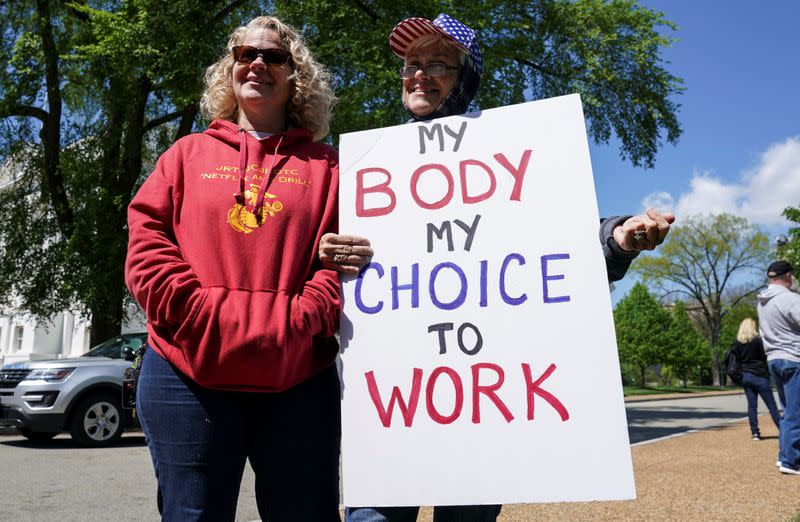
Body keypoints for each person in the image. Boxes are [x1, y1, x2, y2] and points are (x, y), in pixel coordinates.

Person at [320, 13, 675, 522]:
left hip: (479, 424)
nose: (417, 74)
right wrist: (326, 251)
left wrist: (619, 238)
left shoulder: (509, 150)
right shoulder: (369, 170)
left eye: (435, 63)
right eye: (409, 65)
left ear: (465, 75)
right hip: (390, 412)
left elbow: (556, 240)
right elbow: (314, 259)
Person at [125, 16, 342, 520]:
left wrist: (303, 318)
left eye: (274, 57)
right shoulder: (185, 154)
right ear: (230, 69)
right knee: (192, 515)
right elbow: (147, 242)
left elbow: (341, 260)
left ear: (296, 75)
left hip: (298, 374)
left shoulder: (330, 166)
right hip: (186, 370)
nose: (258, 64)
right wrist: (198, 313)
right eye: (246, 55)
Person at [757, 260, 800, 475]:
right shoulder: (790, 299)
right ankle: (791, 461)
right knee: (796, 412)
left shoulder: (763, 301)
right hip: (794, 358)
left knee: (788, 410)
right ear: (788, 276)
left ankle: (784, 455)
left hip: (774, 358)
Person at [730, 318, 782, 440]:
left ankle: (755, 433)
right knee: (772, 406)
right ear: (753, 327)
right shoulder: (758, 341)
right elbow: (764, 356)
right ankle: (783, 430)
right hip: (759, 376)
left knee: (752, 406)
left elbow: (735, 359)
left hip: (745, 376)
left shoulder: (737, 342)